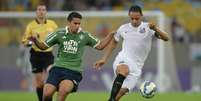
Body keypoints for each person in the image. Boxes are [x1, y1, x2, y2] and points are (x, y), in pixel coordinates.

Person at [28, 11, 115, 101]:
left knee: (64, 90)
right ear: (69, 22)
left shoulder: (84, 35)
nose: (77, 26)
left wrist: (111, 35)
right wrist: (35, 40)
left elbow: (100, 46)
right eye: (75, 23)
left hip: (73, 71)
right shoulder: (59, 33)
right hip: (57, 69)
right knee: (46, 93)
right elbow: (43, 46)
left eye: (79, 24)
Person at [94, 5, 169, 101]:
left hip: (137, 66)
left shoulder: (148, 27)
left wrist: (155, 28)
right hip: (123, 59)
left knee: (121, 92)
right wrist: (104, 59)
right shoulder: (123, 28)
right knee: (124, 70)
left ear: (141, 16)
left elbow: (166, 38)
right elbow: (114, 42)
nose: (134, 21)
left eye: (136, 18)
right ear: (129, 16)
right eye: (132, 18)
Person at [21, 3, 58, 101]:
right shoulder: (31, 26)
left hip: (48, 55)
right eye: (39, 10)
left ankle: (49, 98)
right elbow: (25, 42)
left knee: (50, 75)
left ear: (46, 12)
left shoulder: (52, 24)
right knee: (39, 82)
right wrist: (32, 41)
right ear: (36, 12)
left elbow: (58, 37)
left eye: (43, 10)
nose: (41, 12)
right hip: (36, 55)